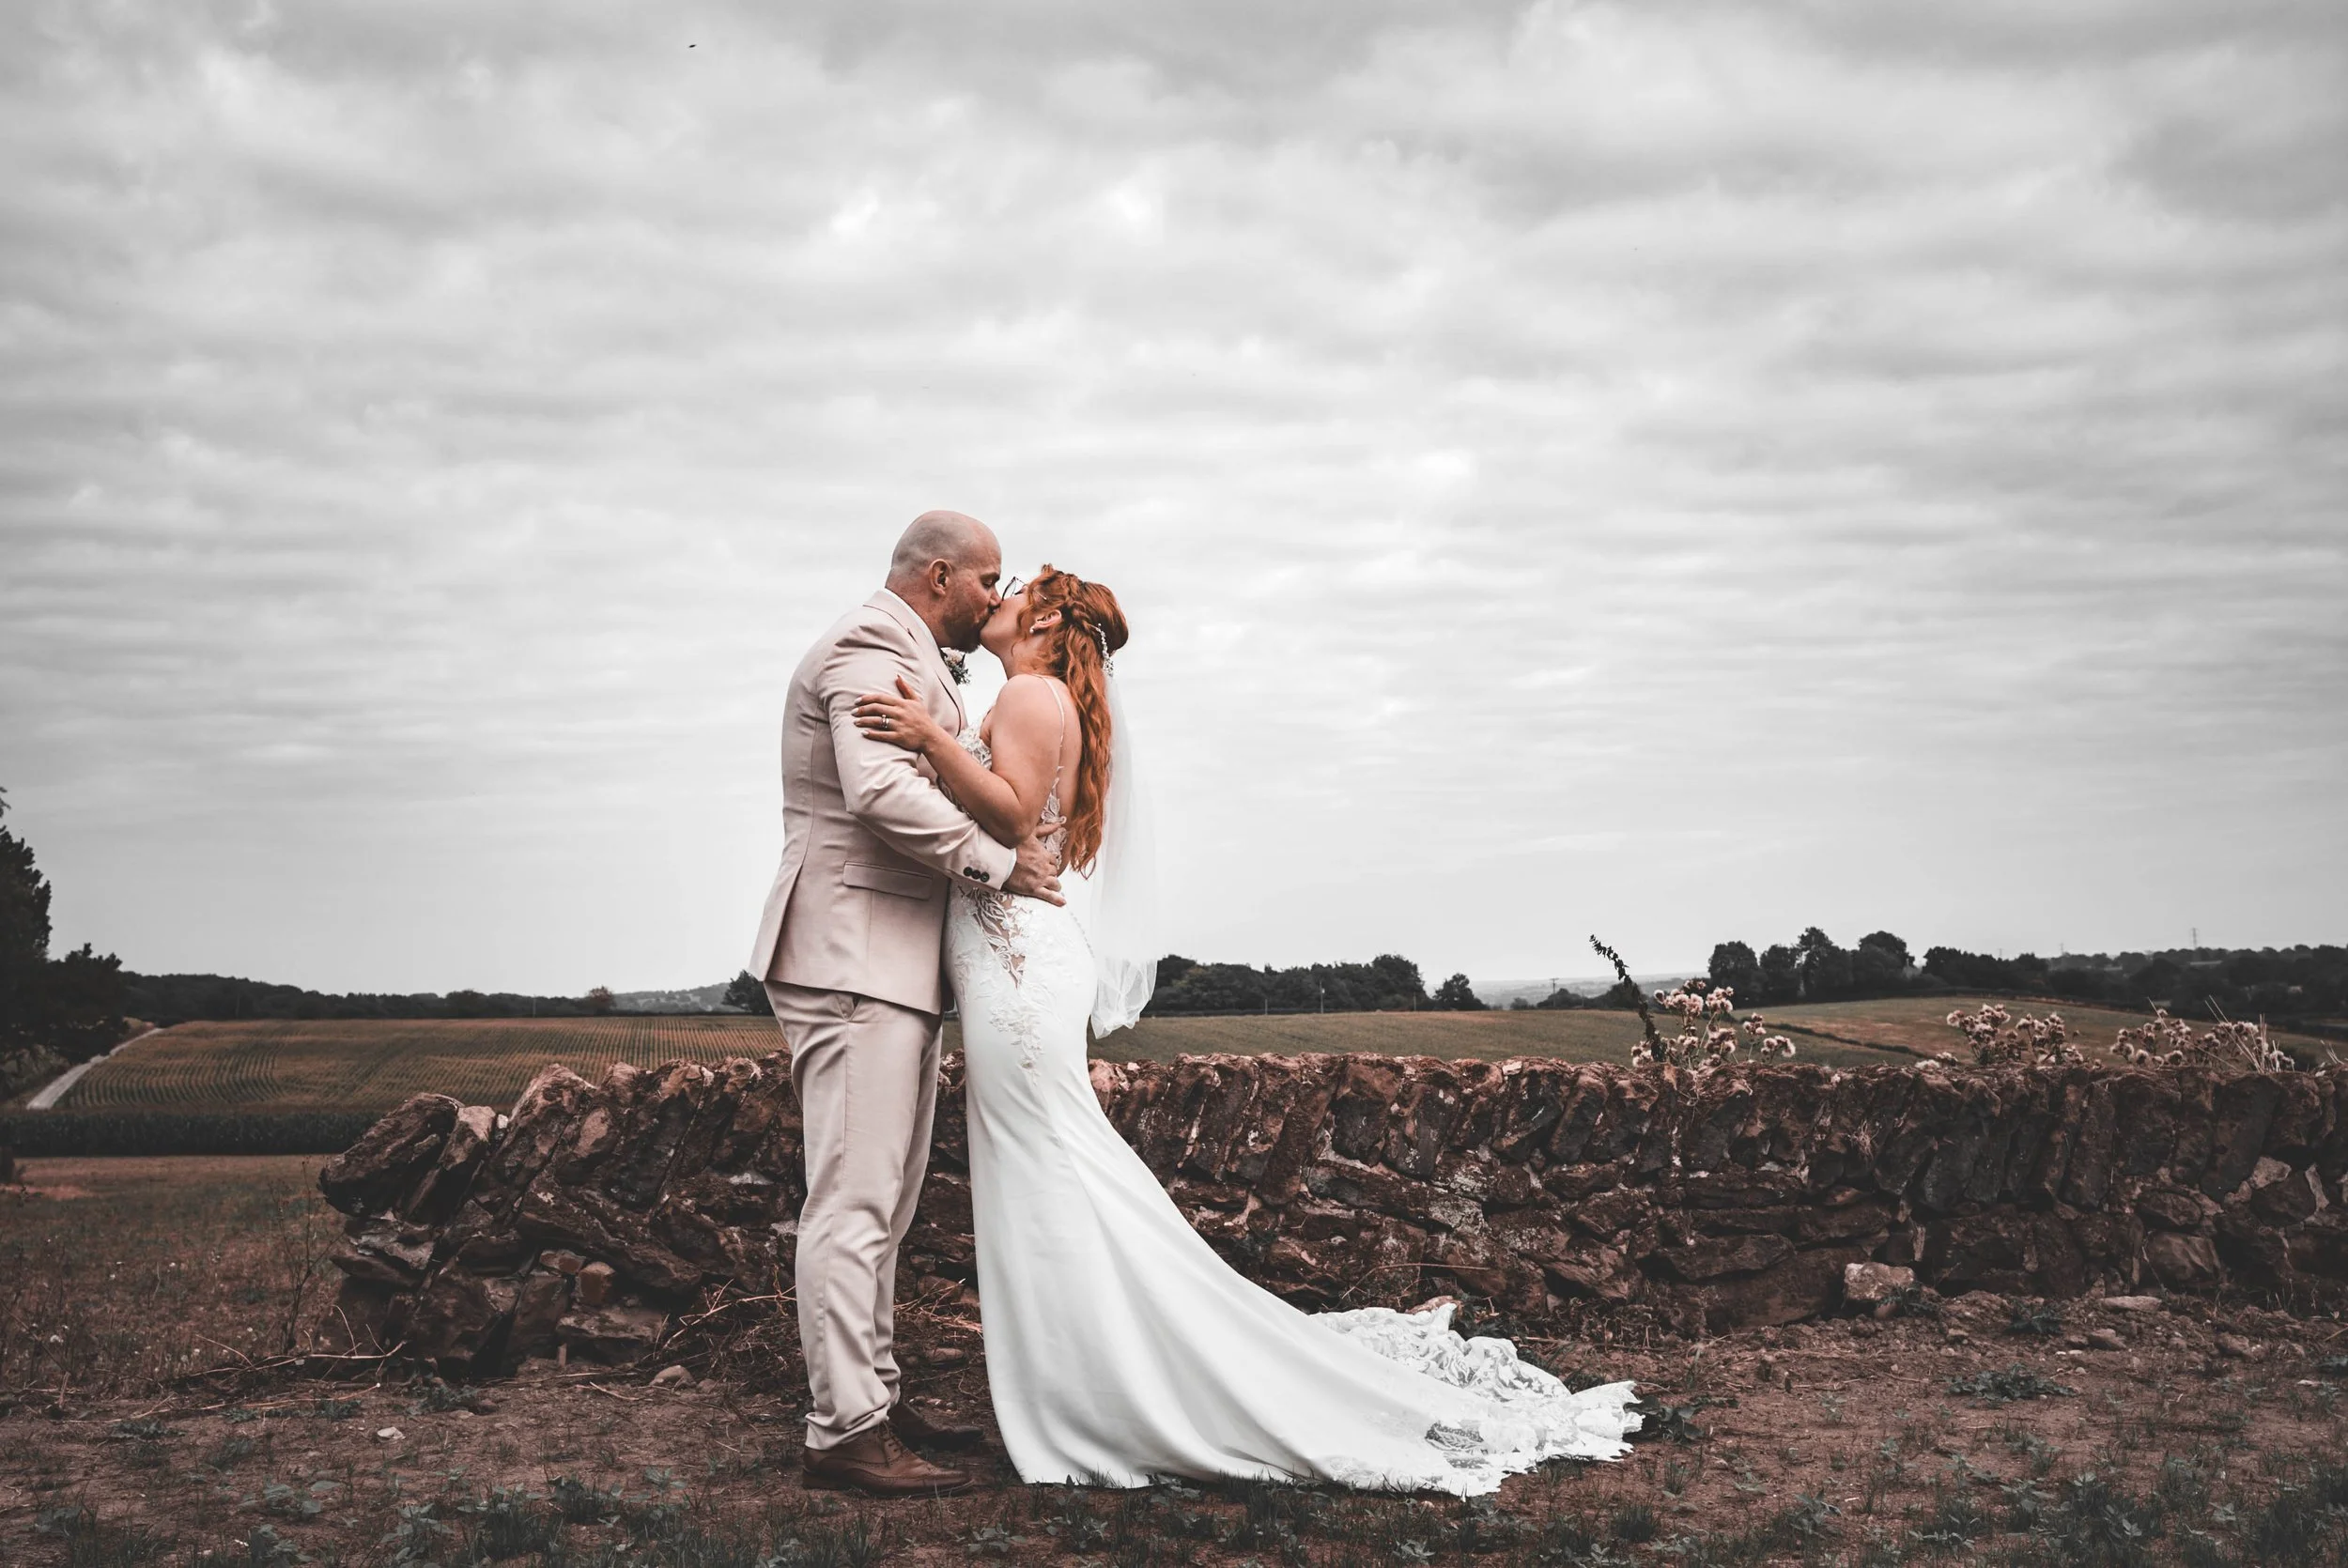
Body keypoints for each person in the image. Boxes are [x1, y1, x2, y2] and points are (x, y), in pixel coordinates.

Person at [852, 566, 1643, 1497]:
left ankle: (1113, 1384)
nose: (1003, 589)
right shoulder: (1045, 694)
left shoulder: (1029, 691)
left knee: (1052, 1163)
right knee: (1051, 1164)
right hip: (1015, 960)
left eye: (1019, 584)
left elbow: (1014, 813)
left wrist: (926, 738)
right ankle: (1097, 1374)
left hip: (1018, 970)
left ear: (1049, 617)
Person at [749, 511, 1065, 1497]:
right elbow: (878, 790)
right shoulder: (868, 642)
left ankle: (873, 1394)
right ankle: (844, 1430)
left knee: (880, 1197)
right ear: (941, 575)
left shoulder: (909, 652)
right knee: (850, 1198)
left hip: (888, 964)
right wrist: (999, 866)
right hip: (850, 956)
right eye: (988, 579)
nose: (996, 597)